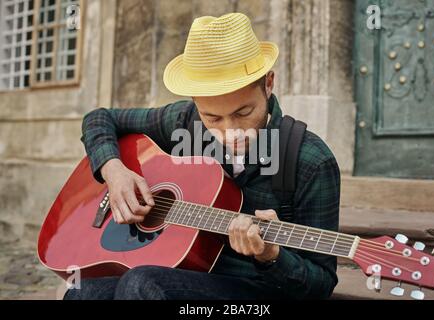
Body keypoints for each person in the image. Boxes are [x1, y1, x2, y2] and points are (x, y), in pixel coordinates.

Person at [64, 12, 340, 300]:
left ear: (268, 84)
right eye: (213, 118)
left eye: (243, 113)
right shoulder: (185, 120)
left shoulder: (311, 160)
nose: (230, 131)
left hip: (259, 293)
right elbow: (99, 119)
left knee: (142, 285)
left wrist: (271, 255)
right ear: (196, 103)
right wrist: (114, 171)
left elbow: (320, 284)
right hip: (187, 270)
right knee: (83, 291)